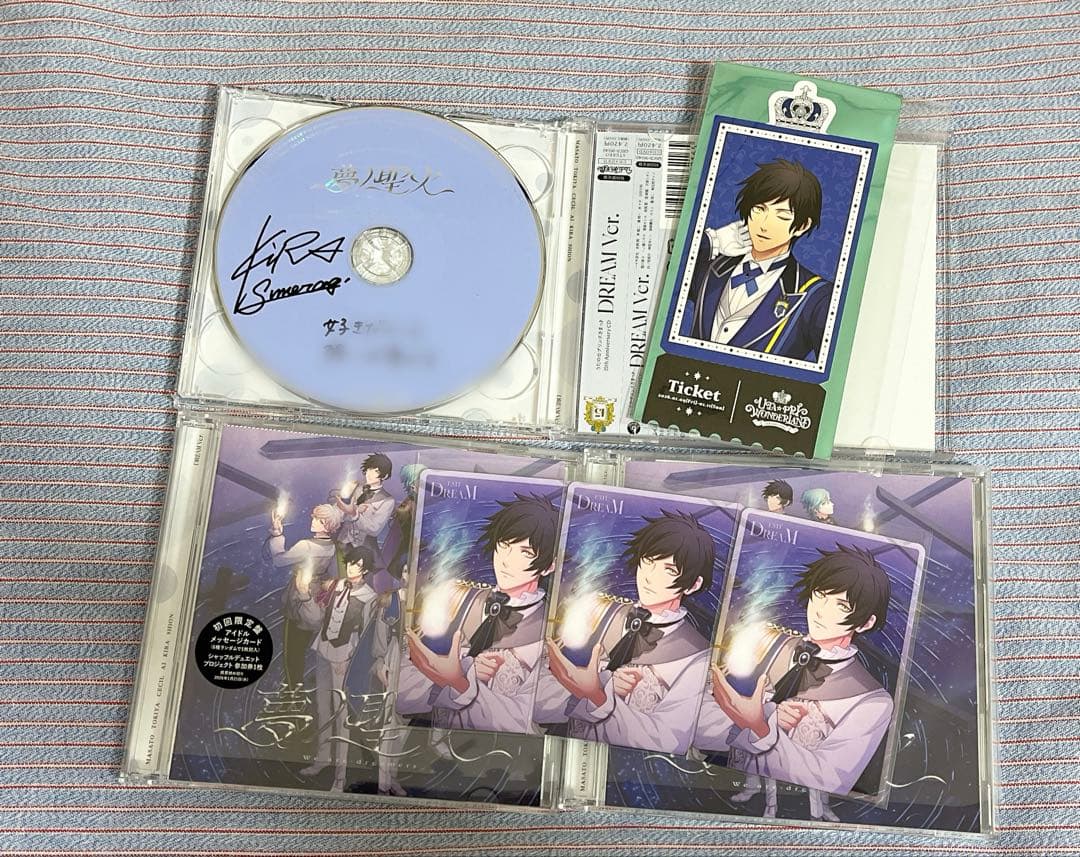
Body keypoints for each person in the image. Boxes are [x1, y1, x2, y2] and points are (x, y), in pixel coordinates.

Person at [694, 545, 893, 814]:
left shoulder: (871, 701)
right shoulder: (768, 644)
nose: (821, 611)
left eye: (841, 605)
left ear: (865, 623)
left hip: (799, 817)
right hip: (714, 790)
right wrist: (762, 718)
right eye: (820, 596)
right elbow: (695, 722)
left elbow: (829, 779)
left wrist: (761, 727)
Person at [537, 510, 716, 756]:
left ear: (693, 584)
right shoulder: (599, 614)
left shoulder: (697, 655)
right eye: (648, 562)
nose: (650, 577)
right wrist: (601, 686)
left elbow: (668, 739)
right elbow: (538, 696)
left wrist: (598, 696)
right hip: (562, 753)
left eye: (668, 570)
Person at [396, 493, 560, 735]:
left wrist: (462, 683)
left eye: (525, 552)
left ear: (549, 565)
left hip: (499, 753)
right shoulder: (457, 600)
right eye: (504, 546)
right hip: (424, 740)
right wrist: (462, 672)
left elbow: (527, 721)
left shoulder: (553, 631)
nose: (506, 561)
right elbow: (401, 687)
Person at [680, 159, 832, 361]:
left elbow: (832, 367)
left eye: (781, 216)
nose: (764, 225)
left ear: (802, 225)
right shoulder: (712, 265)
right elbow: (665, 277)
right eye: (759, 209)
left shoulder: (816, 295)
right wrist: (710, 241)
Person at [294, 544, 380, 792]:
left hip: (344, 657)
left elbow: (367, 637)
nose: (353, 568)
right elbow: (318, 619)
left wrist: (351, 660)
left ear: (366, 570)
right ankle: (322, 759)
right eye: (351, 563)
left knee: (341, 715)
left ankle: (341, 776)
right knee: (322, 706)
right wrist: (305, 595)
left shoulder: (370, 598)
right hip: (323, 649)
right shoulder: (337, 585)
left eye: (359, 566)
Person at [268, 502, 343, 689]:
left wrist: (277, 535)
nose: (313, 520)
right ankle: (298, 685)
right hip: (316, 595)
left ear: (327, 525)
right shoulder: (332, 546)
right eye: (314, 517)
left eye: (318, 519)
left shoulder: (306, 546)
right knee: (302, 644)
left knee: (292, 649)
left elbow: (279, 560)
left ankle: (293, 687)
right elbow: (333, 574)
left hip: (299, 595)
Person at [335, 453, 396, 565]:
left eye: (376, 471)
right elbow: (337, 514)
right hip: (341, 544)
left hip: (364, 551)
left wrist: (354, 514)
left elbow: (374, 529)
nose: (369, 474)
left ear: (384, 476)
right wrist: (347, 503)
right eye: (369, 469)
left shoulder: (387, 500)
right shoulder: (354, 487)